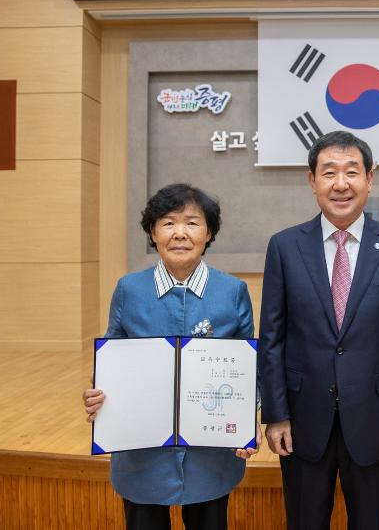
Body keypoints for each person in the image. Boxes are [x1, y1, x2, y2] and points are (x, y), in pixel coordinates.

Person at [258, 131, 379, 530]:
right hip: (302, 420)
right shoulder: (284, 246)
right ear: (312, 180)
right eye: (329, 172)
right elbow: (272, 338)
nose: (341, 183)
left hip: (376, 419)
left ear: (370, 178)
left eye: (352, 171)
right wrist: (276, 415)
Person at [82, 183, 259, 530]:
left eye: (192, 223)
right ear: (153, 232)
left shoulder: (232, 291)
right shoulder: (129, 289)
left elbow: (249, 366)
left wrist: (247, 415)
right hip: (141, 451)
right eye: (168, 223)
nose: (180, 233)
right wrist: (98, 392)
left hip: (210, 451)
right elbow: (112, 359)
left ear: (209, 233)